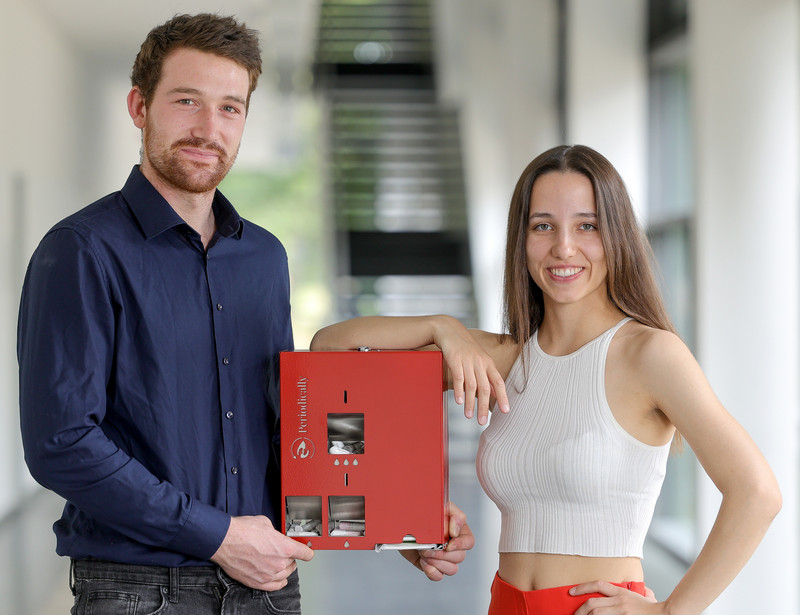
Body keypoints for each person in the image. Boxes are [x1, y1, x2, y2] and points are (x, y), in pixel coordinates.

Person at [17, 13, 472, 615]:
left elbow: (287, 427)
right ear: (139, 106)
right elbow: (62, 443)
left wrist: (391, 515)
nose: (209, 128)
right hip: (137, 591)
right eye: (187, 101)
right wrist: (221, 537)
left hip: (267, 588)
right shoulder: (82, 250)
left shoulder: (263, 256)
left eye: (231, 108)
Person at [310, 144, 782, 614]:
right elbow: (329, 351)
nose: (563, 247)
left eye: (587, 226)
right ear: (523, 239)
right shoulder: (501, 357)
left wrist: (669, 611)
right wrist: (442, 327)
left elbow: (756, 493)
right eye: (543, 226)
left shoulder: (649, 354)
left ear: (616, 235)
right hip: (504, 602)